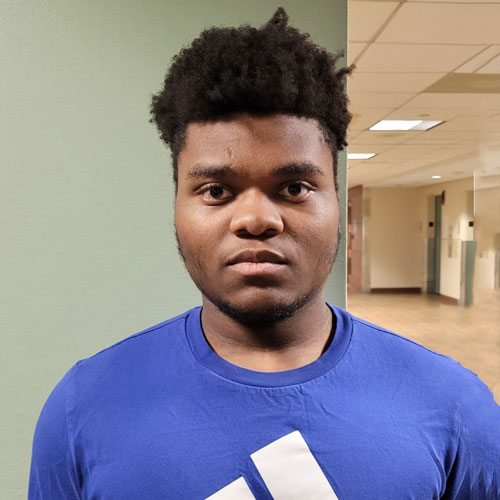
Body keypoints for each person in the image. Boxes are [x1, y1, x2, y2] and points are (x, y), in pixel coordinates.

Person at [29, 7, 500, 500]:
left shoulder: (453, 404)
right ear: (176, 204)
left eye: (294, 187)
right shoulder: (83, 406)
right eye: (215, 191)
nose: (256, 219)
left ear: (336, 200)